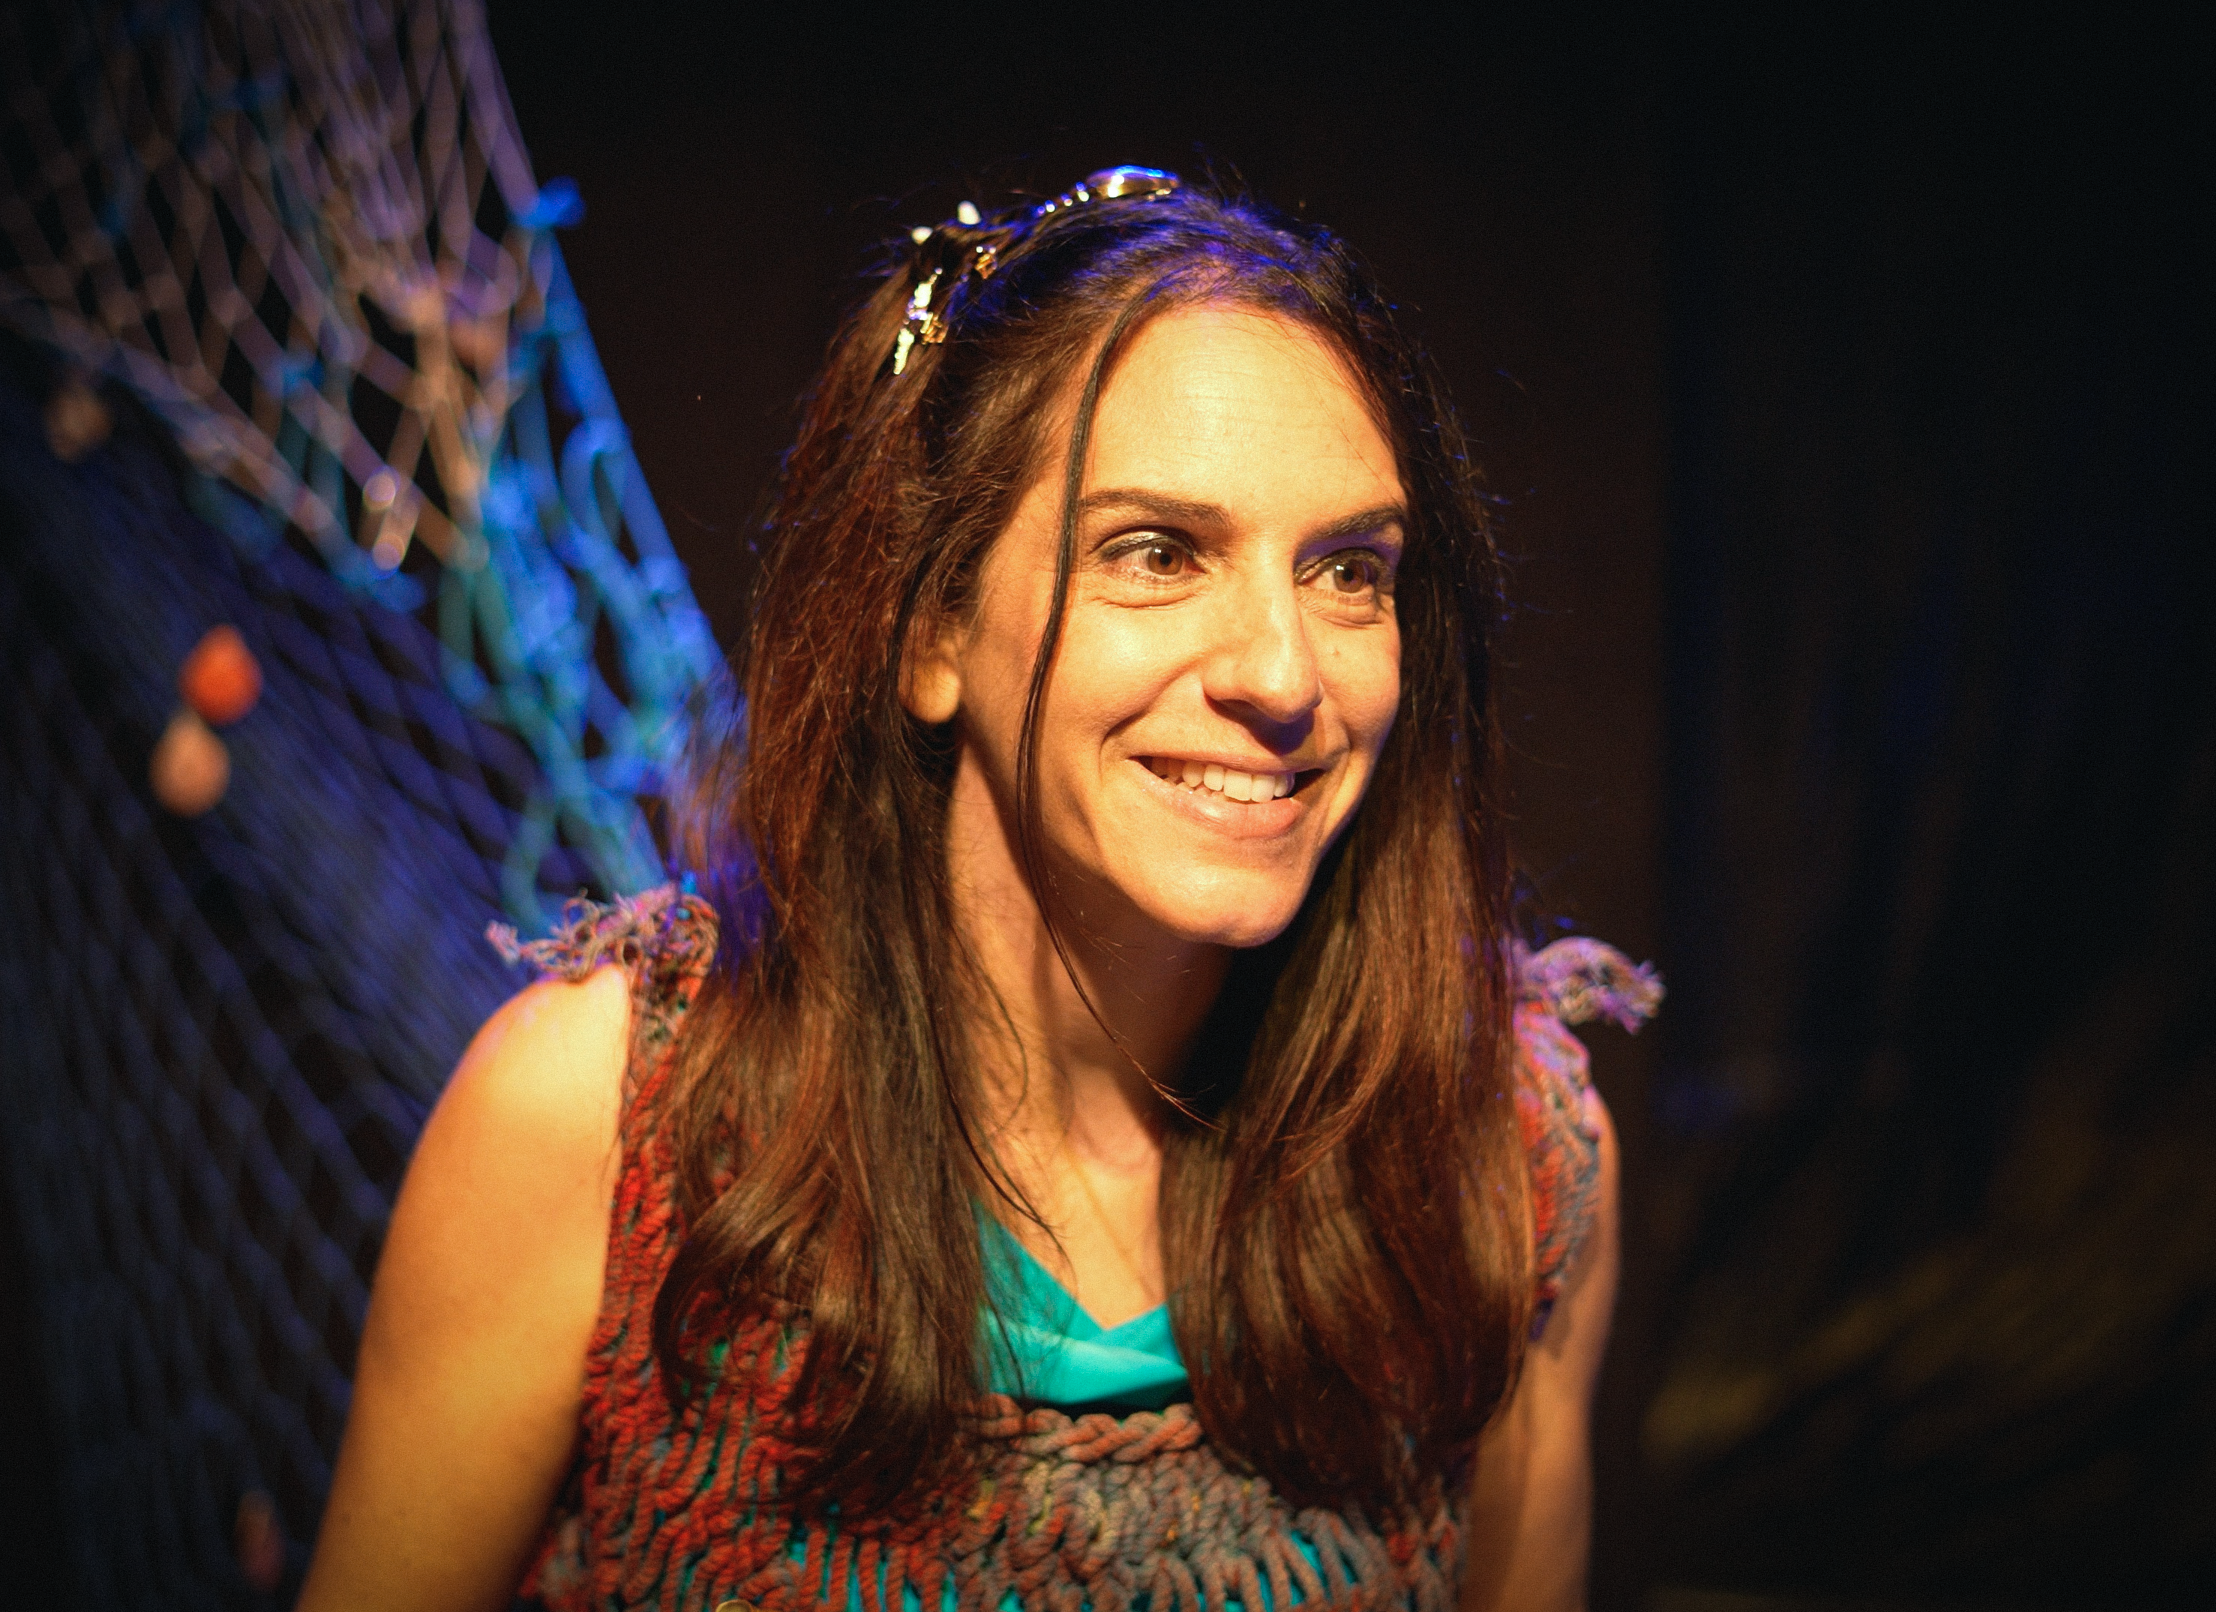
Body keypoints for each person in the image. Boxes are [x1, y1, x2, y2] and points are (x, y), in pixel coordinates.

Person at [299, 167, 1658, 1612]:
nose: (1281, 673)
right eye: (1155, 553)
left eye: (1348, 572)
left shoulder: (1495, 1154)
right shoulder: (615, 1126)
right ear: (930, 624)